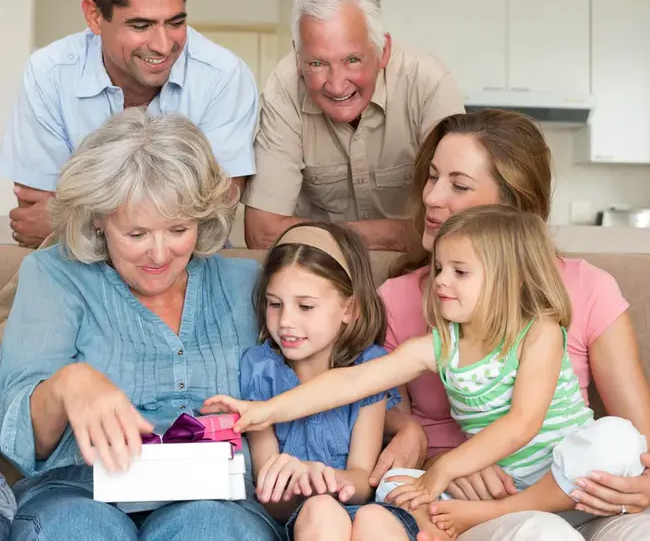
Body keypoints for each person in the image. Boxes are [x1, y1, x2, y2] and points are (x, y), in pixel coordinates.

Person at [201, 205, 646, 540]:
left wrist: (444, 471)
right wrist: (264, 410)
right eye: (438, 269)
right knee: (393, 484)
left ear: (508, 278)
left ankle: (508, 511)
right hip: (498, 481)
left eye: (460, 271)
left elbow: (522, 423)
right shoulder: (442, 344)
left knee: (617, 437)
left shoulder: (540, 331)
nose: (440, 281)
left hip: (563, 477)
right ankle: (503, 509)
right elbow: (352, 381)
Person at [0, 110, 283, 541]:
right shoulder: (55, 275)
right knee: (79, 529)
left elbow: (324, 368)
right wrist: (66, 386)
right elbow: (16, 439)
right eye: (135, 234)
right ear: (98, 218)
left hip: (218, 498)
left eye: (178, 229)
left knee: (210, 528)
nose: (158, 254)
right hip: (79, 491)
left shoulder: (247, 284)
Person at [375, 110, 650, 540]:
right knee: (540, 533)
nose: (431, 197)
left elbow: (641, 434)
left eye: (459, 184)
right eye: (432, 177)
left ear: (512, 206)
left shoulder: (588, 287)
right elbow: (379, 413)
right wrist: (436, 461)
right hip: (469, 503)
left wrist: (642, 488)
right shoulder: (396, 298)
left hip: (579, 490)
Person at [0, 0, 258, 249]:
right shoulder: (48, 74)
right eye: (141, 25)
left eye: (176, 22)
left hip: (193, 276)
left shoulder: (224, 77)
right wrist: (171, 216)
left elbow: (213, 221)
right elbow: (33, 220)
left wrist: (72, 221)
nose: (163, 45)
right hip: (74, 277)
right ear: (94, 16)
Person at [217, 220, 429, 541]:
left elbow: (362, 482)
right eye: (275, 304)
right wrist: (299, 483)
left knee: (374, 518)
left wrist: (324, 477)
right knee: (321, 510)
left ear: (350, 308)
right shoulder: (260, 368)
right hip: (301, 519)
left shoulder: (369, 368)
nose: (286, 321)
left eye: (305, 306)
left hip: (360, 508)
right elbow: (271, 497)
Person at [242, 0, 465, 252]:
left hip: (416, 276)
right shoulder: (284, 87)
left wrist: (312, 234)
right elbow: (261, 233)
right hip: (319, 279)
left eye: (352, 60)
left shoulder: (428, 83)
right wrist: (399, 234)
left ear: (383, 51)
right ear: (298, 58)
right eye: (316, 63)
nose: (336, 85)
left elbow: (461, 228)